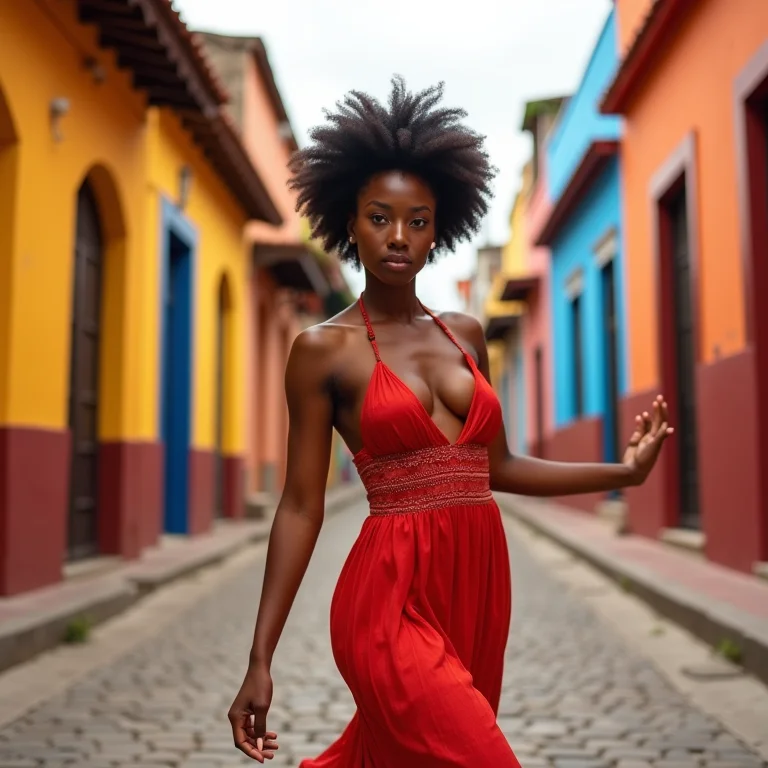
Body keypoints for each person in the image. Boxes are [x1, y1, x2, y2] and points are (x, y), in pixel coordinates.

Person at [227, 76, 673, 767]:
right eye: (379, 217)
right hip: (385, 598)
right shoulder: (323, 351)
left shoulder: (465, 333)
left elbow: (499, 468)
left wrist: (625, 471)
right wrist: (260, 658)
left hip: (476, 588)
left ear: (442, 228)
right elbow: (298, 506)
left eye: (418, 220)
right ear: (349, 222)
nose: (398, 236)